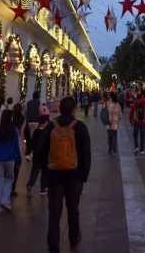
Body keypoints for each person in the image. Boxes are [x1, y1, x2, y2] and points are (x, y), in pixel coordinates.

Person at [38, 96, 91, 253]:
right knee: (73, 208)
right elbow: (86, 154)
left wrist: (46, 171)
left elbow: (40, 149)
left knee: (54, 212)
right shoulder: (80, 127)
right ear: (73, 110)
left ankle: (53, 245)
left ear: (59, 109)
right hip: (74, 177)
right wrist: (84, 175)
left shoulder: (50, 127)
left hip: (54, 177)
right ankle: (73, 237)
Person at [0, 109, 21, 214]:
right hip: (10, 159)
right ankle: (5, 200)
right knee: (9, 179)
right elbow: (17, 146)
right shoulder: (14, 130)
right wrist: (19, 159)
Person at [25, 106, 52, 196]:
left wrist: (29, 152)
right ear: (45, 123)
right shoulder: (47, 132)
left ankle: (30, 184)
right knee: (44, 172)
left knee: (35, 171)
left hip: (36, 155)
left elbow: (32, 142)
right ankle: (43, 189)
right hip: (45, 155)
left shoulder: (36, 131)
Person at [10, 103, 27, 196]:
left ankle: (8, 186)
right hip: (19, 145)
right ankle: (13, 186)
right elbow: (24, 133)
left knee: (9, 166)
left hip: (9, 145)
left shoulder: (10, 119)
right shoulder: (23, 119)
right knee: (17, 167)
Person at [26, 90, 42, 157]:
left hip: (29, 121)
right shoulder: (39, 103)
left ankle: (28, 151)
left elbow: (26, 112)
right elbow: (41, 113)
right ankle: (32, 152)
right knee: (34, 137)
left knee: (29, 137)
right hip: (36, 121)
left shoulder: (28, 103)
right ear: (38, 96)